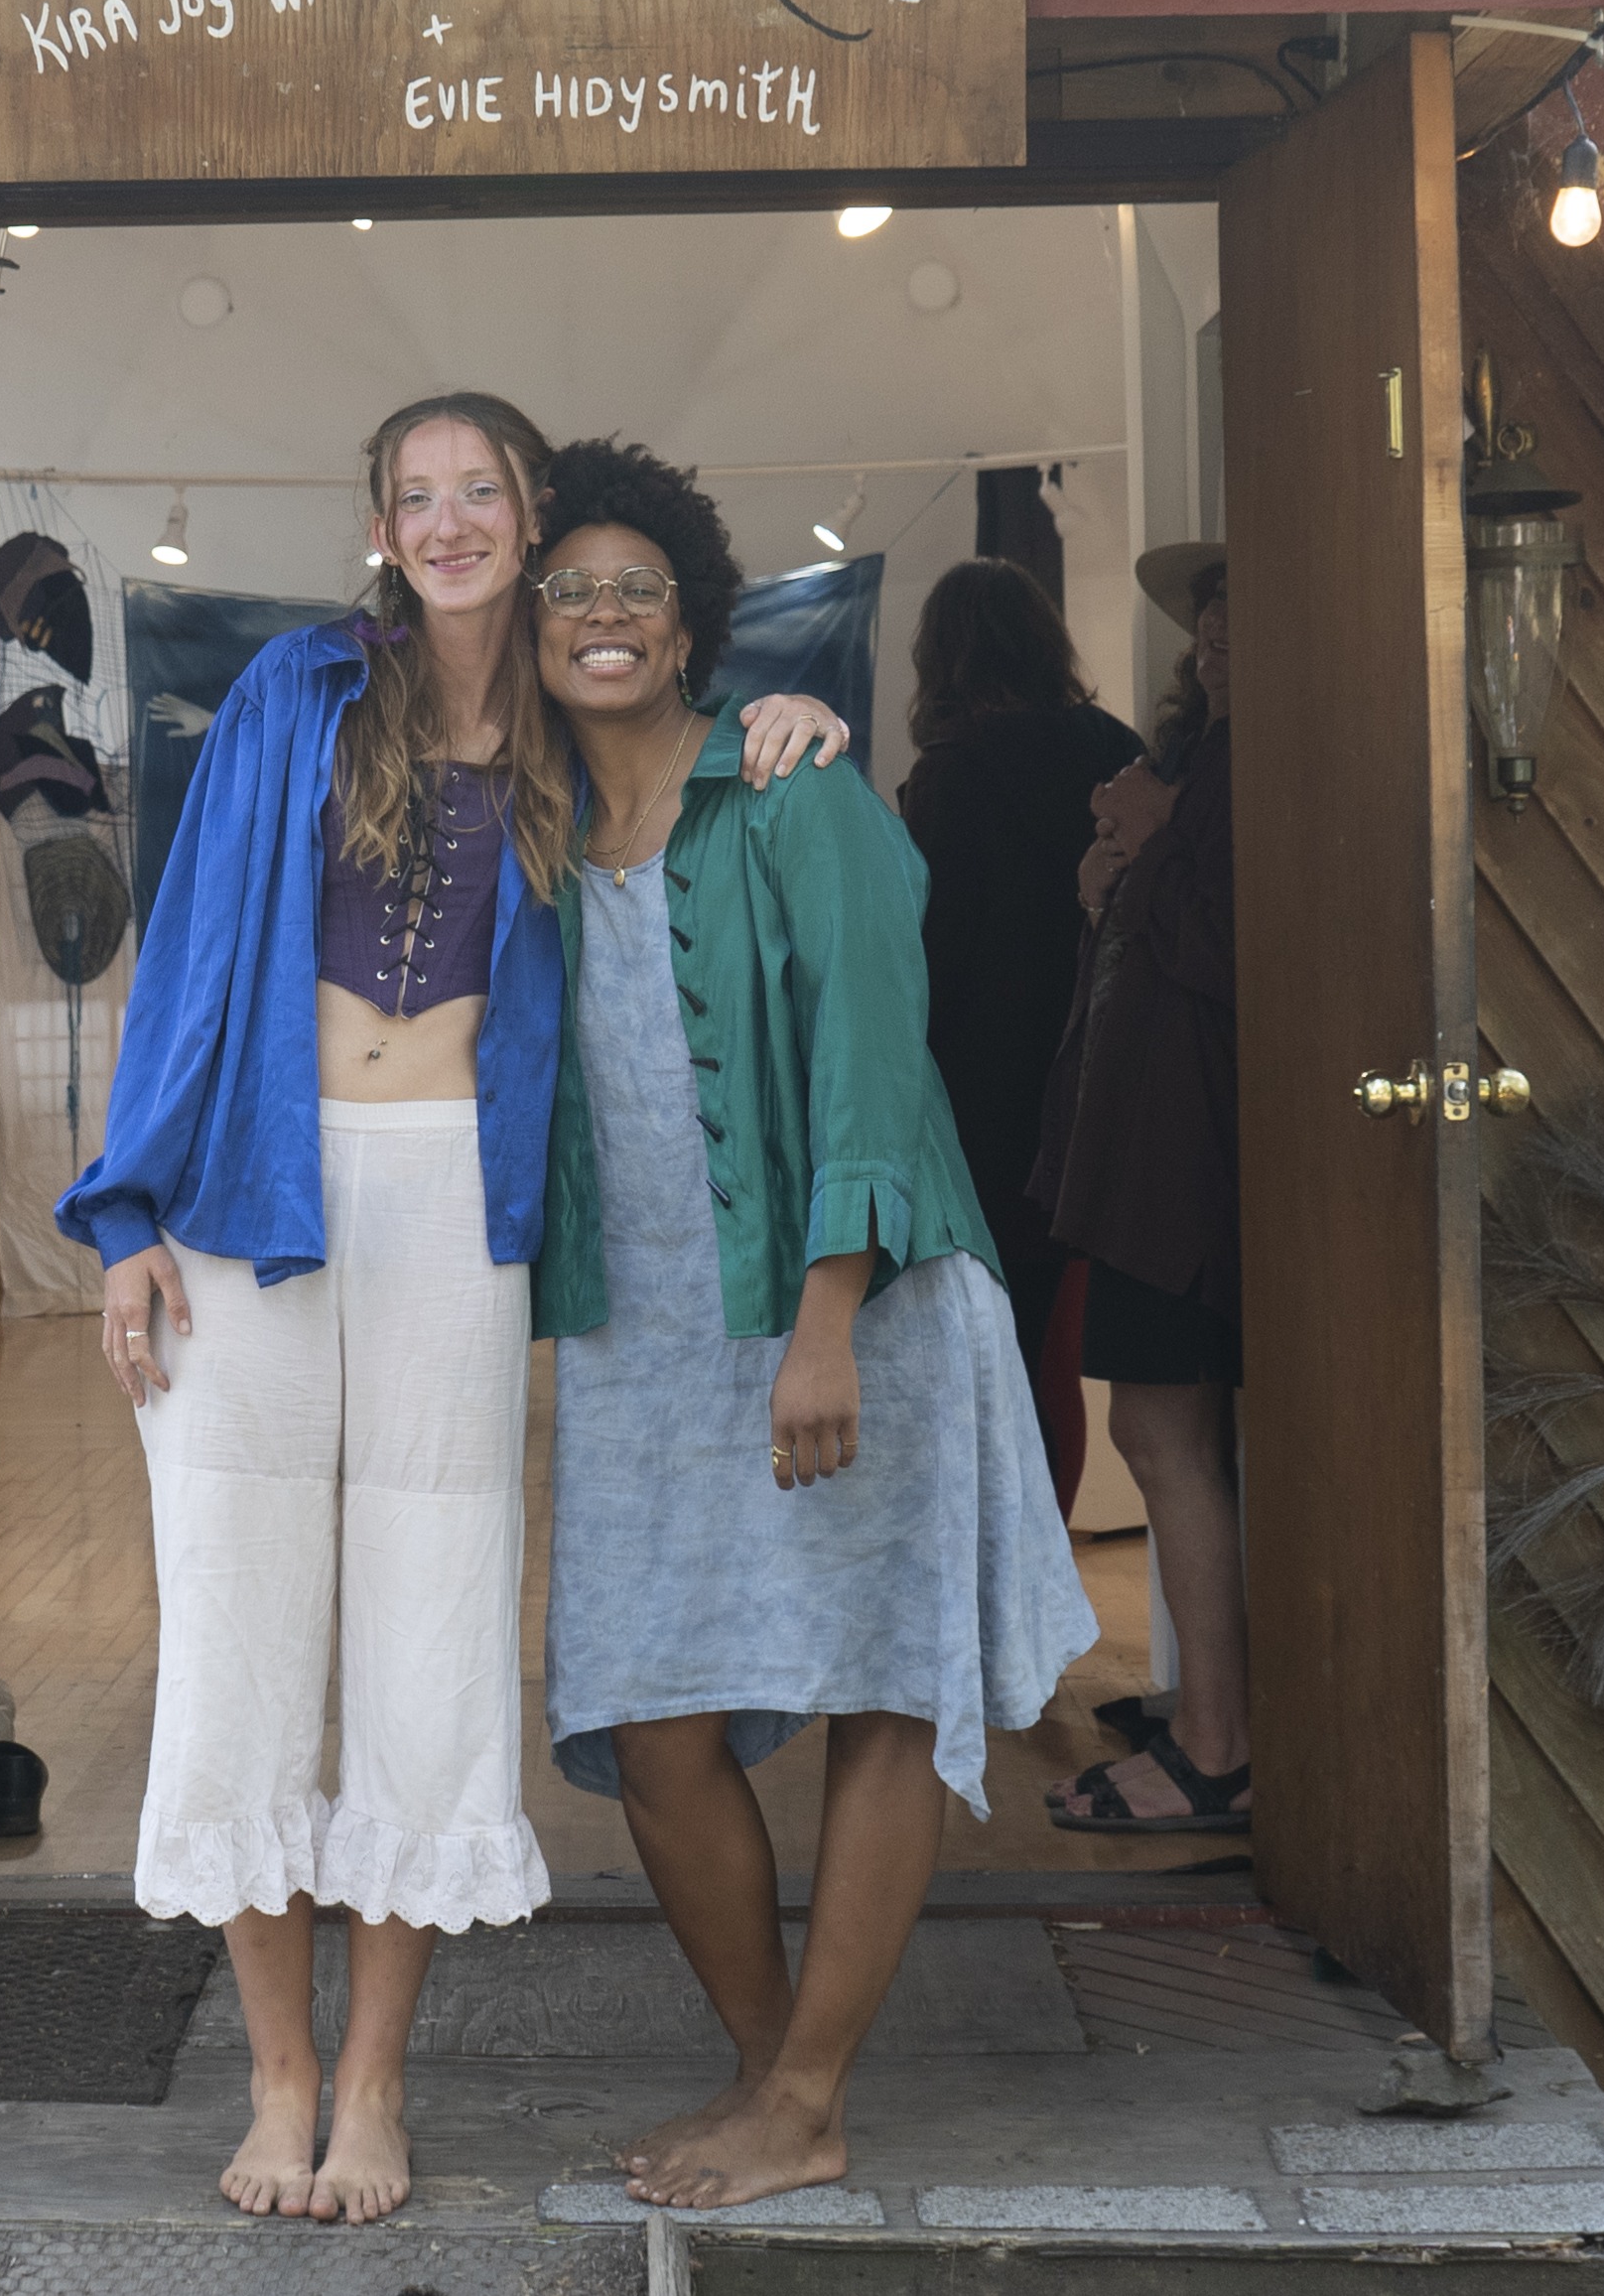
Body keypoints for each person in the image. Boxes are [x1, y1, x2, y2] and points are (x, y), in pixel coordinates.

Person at [61, 393, 846, 2227]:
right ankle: (274, 2074)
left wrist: (791, 720)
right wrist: (125, 1212)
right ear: (381, 525)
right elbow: (190, 946)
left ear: (530, 509)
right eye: (413, 494)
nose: (446, 520)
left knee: (431, 1638)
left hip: (455, 1214)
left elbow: (694, 744)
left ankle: (372, 2085)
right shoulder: (299, 691)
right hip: (252, 1191)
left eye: (476, 488)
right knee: (241, 1628)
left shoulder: (576, 722)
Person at [530, 438, 1096, 2214]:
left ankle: (802, 2098)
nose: (603, 613)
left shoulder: (798, 793)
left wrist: (825, 1320)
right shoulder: (529, 830)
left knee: (879, 1681)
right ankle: (776, 2076)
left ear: (691, 621)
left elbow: (872, 1061)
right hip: (641, 1344)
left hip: (859, 1307)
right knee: (646, 1713)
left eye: (636, 587)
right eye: (569, 588)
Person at [1031, 544, 1244, 1834]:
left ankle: (1216, 1744)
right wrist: (1107, 884)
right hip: (1158, 1160)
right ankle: (1215, 1710)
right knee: (1165, 1436)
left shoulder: (1243, 774)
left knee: (1163, 1435)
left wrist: (1152, 843)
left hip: (1188, 1166)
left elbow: (1235, 949)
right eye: (1208, 615)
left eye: (1240, 615)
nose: (1213, 634)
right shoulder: (1202, 763)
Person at [896, 558, 1143, 1495]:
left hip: (980, 1105)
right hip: (1099, 1086)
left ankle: (993, 1567)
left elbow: (931, 954)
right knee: (1053, 1354)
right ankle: (1050, 1565)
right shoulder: (1115, 748)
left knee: (978, 1354)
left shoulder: (953, 772)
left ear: (940, 656)